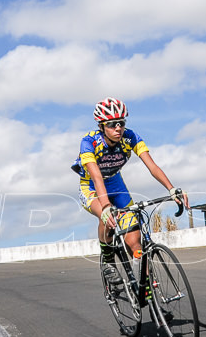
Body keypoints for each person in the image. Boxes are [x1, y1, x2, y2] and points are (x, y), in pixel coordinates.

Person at [71, 97, 188, 264]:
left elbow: (152, 167)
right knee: (107, 218)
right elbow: (96, 177)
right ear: (101, 127)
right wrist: (105, 207)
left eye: (121, 123)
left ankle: (144, 285)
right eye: (112, 124)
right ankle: (108, 261)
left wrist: (171, 189)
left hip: (115, 182)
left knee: (136, 243)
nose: (118, 128)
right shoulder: (89, 142)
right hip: (91, 185)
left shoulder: (130, 137)